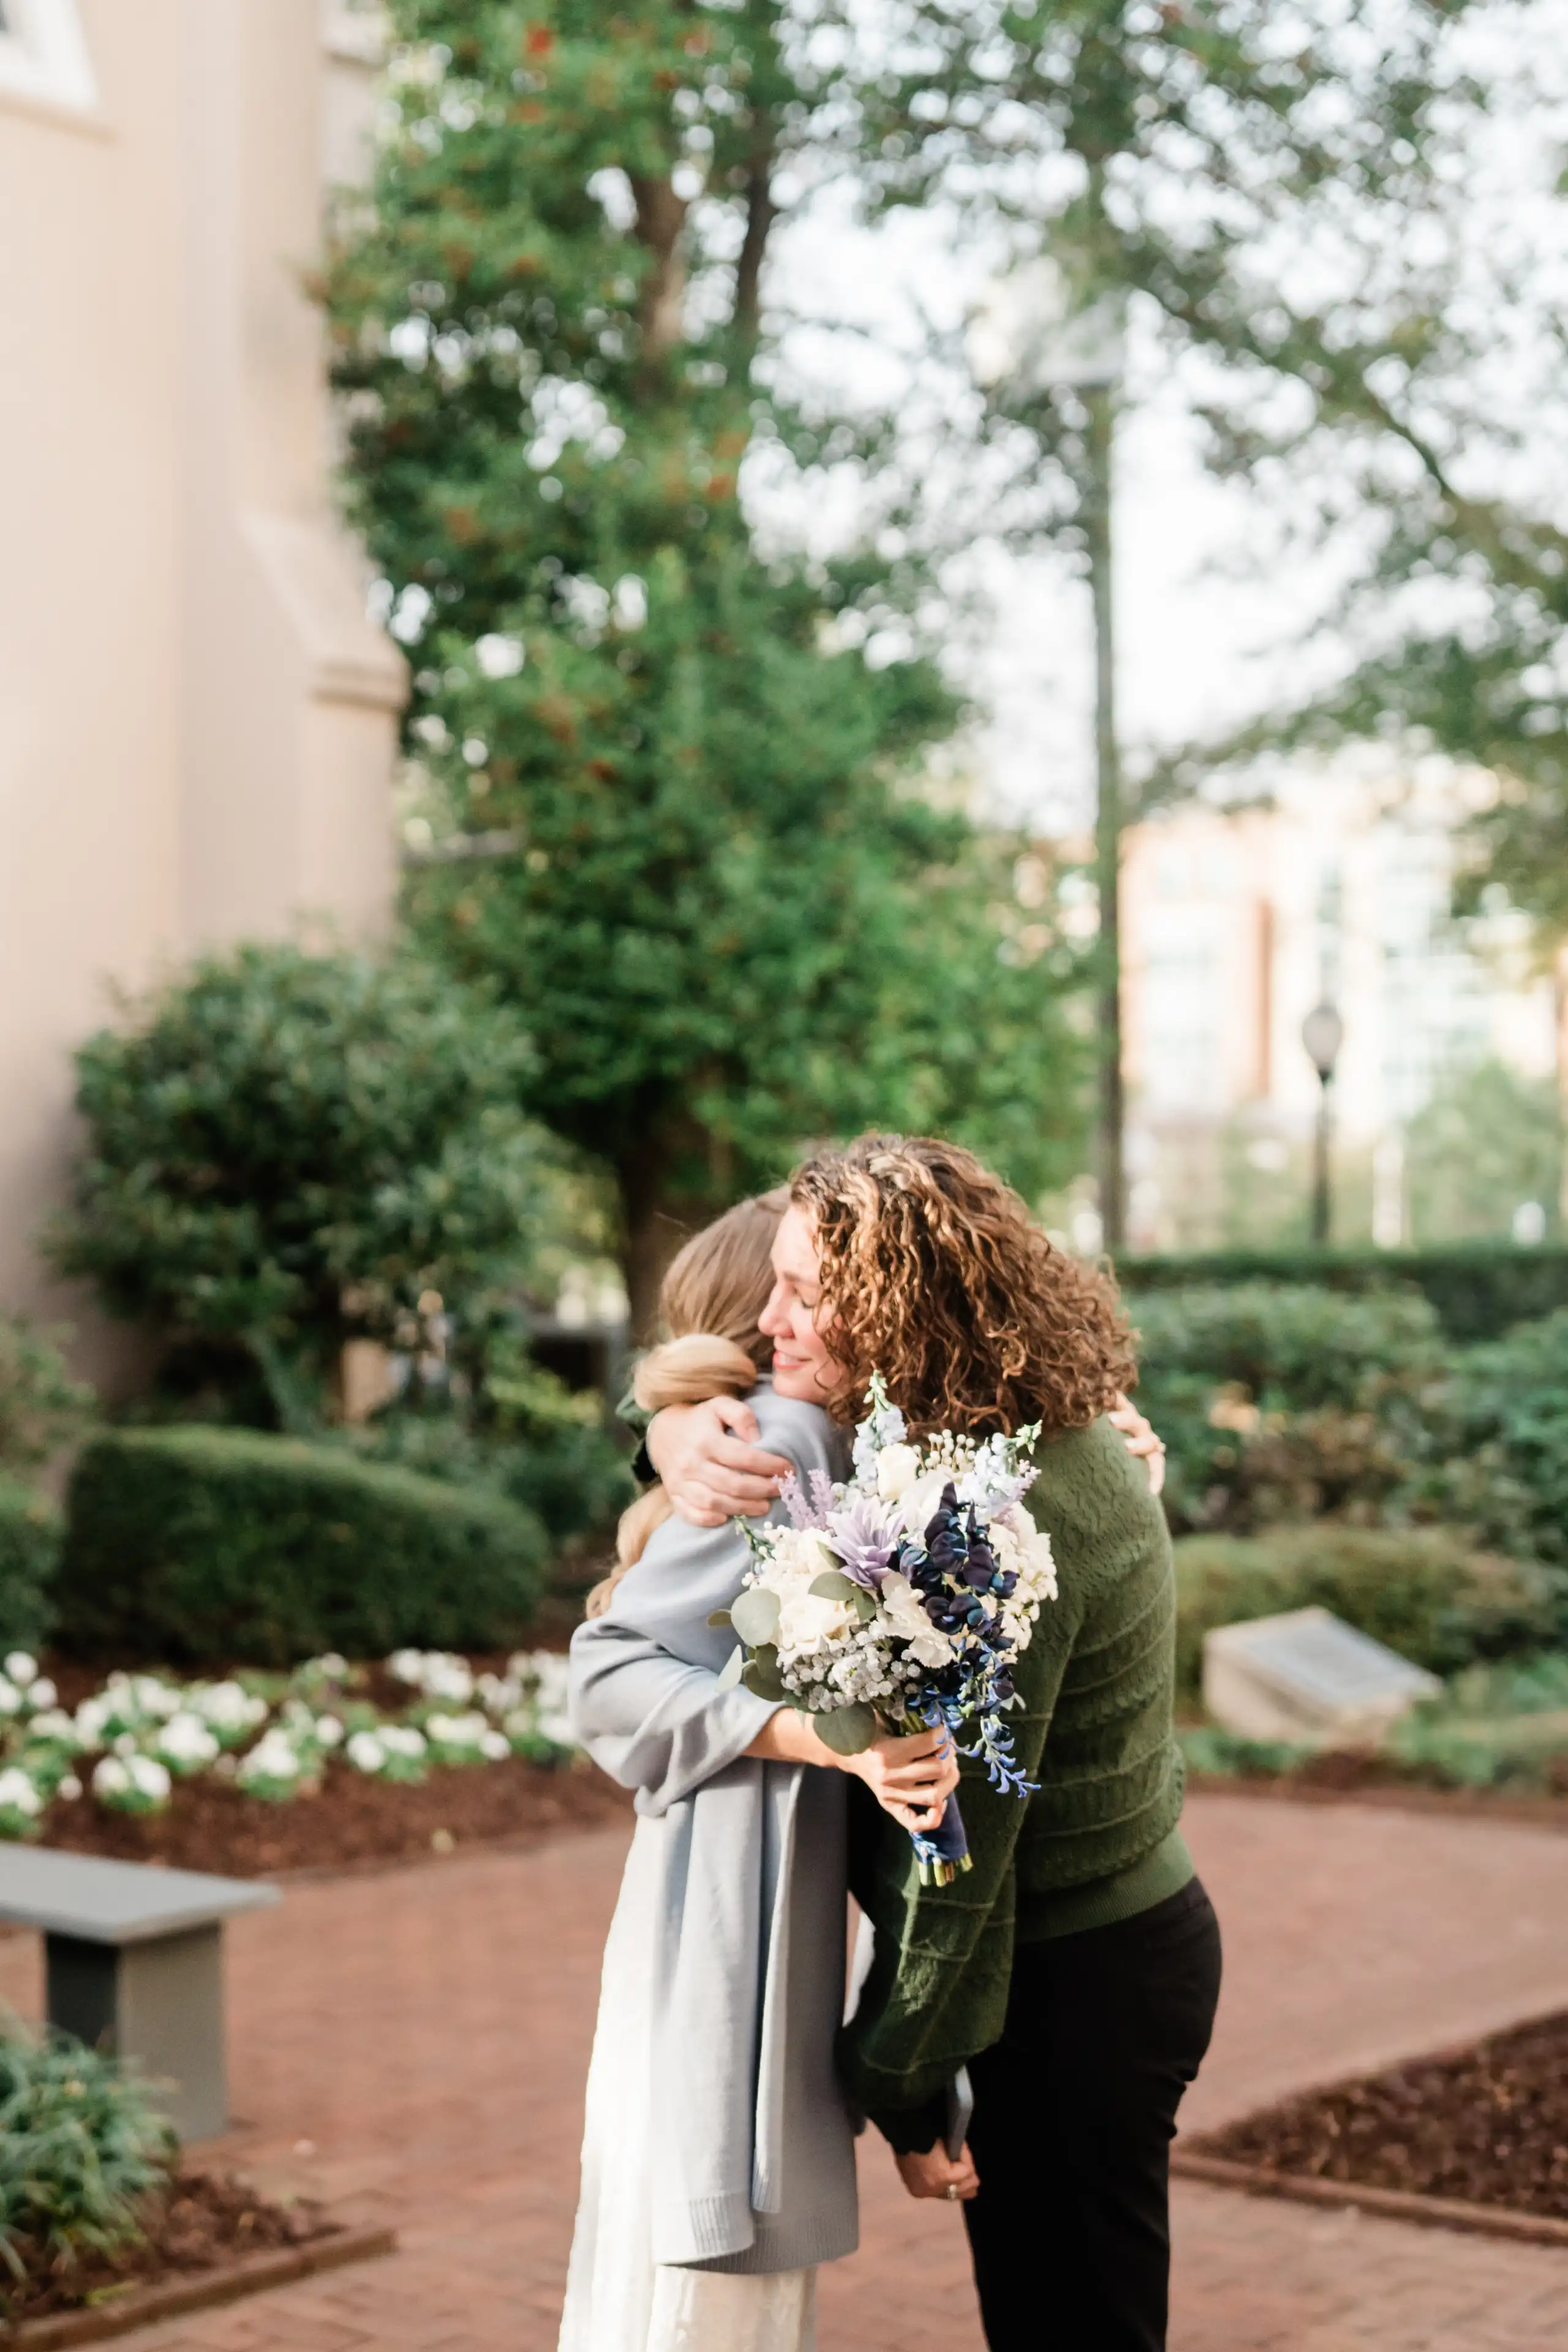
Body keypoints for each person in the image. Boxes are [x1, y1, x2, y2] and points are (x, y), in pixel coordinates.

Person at [645, 1136, 1221, 2352]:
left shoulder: (1000, 1516)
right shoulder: (1003, 1439)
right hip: (1096, 1960)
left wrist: (899, 2081)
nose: (769, 1320)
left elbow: (958, 1857)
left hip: (1079, 1986)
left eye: (800, 1292)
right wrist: (671, 1427)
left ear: (893, 1304)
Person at [560, 1194, 959, 2352]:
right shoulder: (782, 1437)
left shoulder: (825, 1438)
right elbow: (605, 1677)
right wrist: (810, 1737)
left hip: (731, 1919)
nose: (802, 1310)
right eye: (787, 1289)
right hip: (721, 1926)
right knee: (696, 2311)